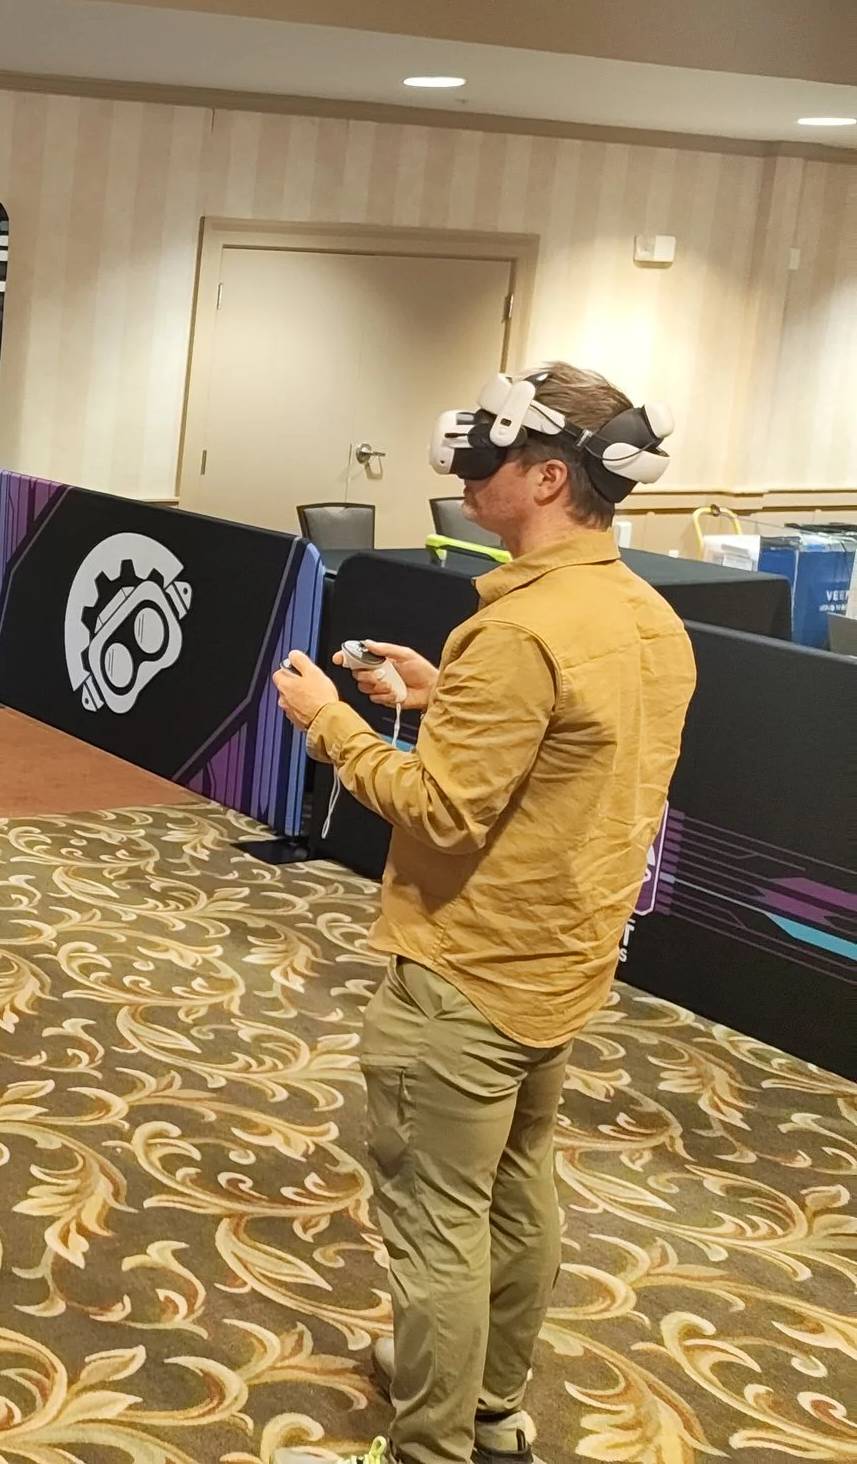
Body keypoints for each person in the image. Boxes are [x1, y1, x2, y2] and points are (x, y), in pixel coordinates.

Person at [270, 363, 694, 1464]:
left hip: (465, 976)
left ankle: (432, 1442)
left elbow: (442, 811)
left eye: (492, 460)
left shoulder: (518, 633)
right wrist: (438, 696)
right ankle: (493, 1404)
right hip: (560, 966)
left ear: (548, 478)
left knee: (436, 1223)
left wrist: (328, 721)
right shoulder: (646, 619)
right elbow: (566, 763)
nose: (467, 476)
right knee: (518, 1186)